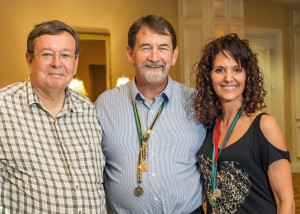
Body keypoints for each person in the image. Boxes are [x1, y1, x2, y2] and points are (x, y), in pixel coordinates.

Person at [94, 15, 206, 213]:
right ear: (130, 54)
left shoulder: (197, 103)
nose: (155, 57)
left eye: (163, 48)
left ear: (174, 55)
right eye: (146, 48)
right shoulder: (104, 105)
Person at [0, 20, 106, 213]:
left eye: (65, 55)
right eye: (47, 54)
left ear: (75, 63)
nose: (57, 63)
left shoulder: (88, 110)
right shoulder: (3, 108)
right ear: (29, 60)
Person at [194, 33, 295, 213]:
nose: (228, 77)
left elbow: (286, 202)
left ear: (247, 75)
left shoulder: (264, 125)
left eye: (237, 69)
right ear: (209, 76)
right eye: (219, 70)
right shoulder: (208, 125)